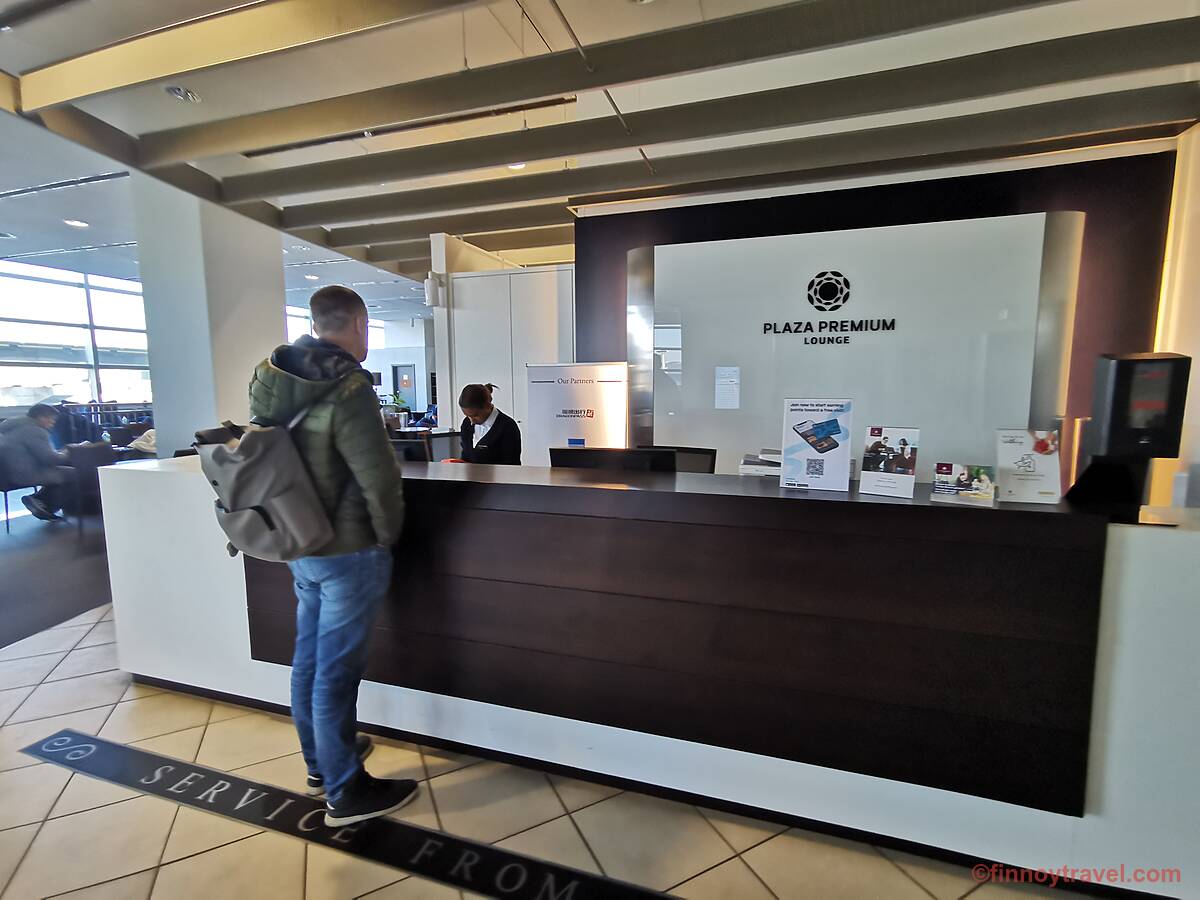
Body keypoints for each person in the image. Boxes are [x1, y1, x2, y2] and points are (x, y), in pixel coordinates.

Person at [248, 285, 417, 827]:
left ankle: (321, 764)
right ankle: (345, 792)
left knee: (310, 662)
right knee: (336, 673)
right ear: (360, 324)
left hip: (299, 541)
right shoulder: (348, 387)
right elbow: (378, 475)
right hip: (349, 548)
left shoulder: (271, 377)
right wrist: (387, 535)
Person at [0, 404, 76, 521]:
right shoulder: (35, 430)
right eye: (51, 418)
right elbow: (50, 459)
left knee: (62, 473)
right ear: (41, 417)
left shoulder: (11, 427)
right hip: (26, 473)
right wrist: (69, 452)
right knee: (75, 474)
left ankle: (40, 503)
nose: (53, 422)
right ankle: (42, 503)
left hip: (7, 475)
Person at [458, 383, 522, 465]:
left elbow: (511, 464)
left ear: (487, 406)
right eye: (467, 416)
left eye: (475, 416)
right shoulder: (466, 423)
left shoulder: (507, 426)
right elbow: (465, 457)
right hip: (470, 477)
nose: (471, 421)